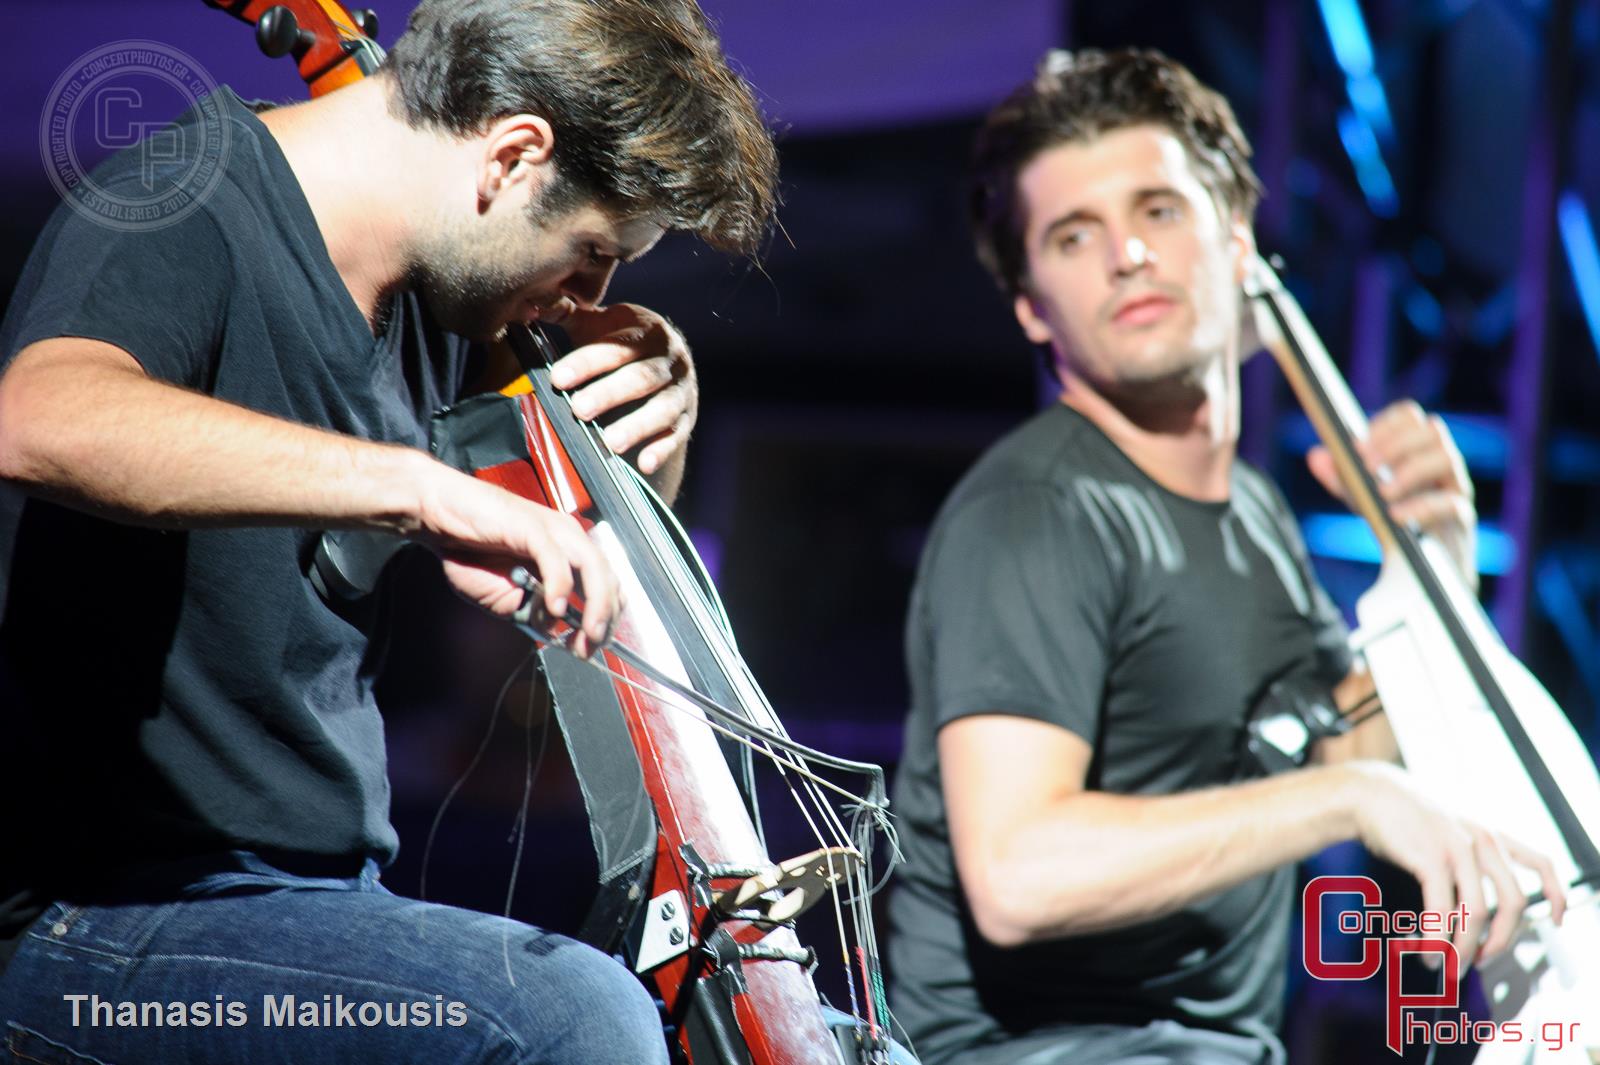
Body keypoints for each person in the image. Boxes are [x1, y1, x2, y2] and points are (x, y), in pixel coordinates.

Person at [0, 1, 776, 1061]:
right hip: (87, 922)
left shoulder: (438, 290)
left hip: (300, 906)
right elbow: (36, 418)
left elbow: (583, 575)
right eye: (595, 250)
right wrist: (416, 486)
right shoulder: (178, 202)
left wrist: (662, 402)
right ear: (512, 154)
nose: (588, 296)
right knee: (574, 1024)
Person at [886, 48, 1567, 1065]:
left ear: (1240, 245)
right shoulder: (1040, 512)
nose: (1125, 254)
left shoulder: (1249, 514)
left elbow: (1350, 749)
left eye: (1159, 210)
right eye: (1074, 235)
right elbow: (1018, 874)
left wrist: (1437, 577)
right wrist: (1351, 801)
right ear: (1032, 307)